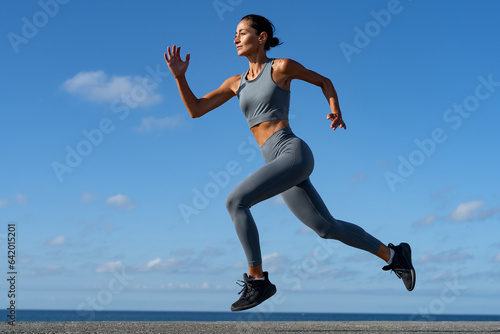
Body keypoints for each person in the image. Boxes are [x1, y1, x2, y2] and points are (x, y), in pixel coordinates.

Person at [164, 14, 415, 312]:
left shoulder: (280, 67)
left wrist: (335, 109)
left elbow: (324, 81)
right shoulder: (235, 83)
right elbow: (196, 110)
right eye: (235, 33)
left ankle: (257, 281)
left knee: (236, 201)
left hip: (291, 152)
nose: (235, 39)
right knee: (326, 227)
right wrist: (180, 77)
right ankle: (394, 255)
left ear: (261, 37)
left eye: (242, 33)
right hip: (274, 161)